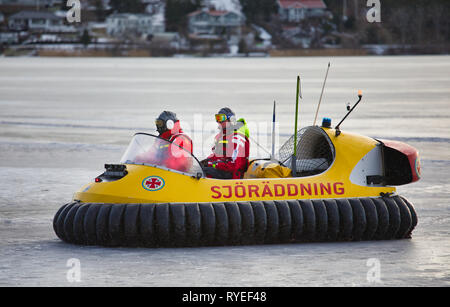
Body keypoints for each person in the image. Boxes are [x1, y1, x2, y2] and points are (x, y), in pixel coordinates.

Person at [203, 107, 250, 179]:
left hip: (231, 177)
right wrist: (206, 161)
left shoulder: (237, 138)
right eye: (217, 118)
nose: (219, 121)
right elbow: (217, 156)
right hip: (222, 171)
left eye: (221, 118)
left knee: (205, 171)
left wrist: (213, 164)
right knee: (199, 169)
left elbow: (235, 165)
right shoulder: (221, 137)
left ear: (231, 120)